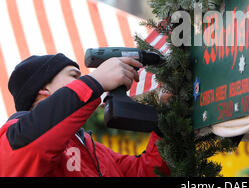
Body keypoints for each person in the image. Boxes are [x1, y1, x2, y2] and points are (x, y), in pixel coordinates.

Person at [0, 53, 170, 177]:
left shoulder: (92, 148)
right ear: (44, 89)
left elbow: (146, 172)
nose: (82, 79)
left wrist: (166, 123)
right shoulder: (15, 137)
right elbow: (36, 138)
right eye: (74, 76)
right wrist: (96, 81)